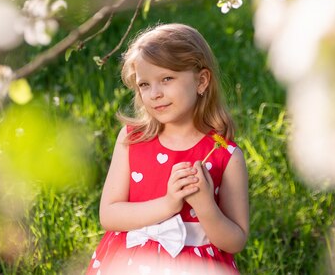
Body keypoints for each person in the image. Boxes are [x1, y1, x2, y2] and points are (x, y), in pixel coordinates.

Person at [86, 23, 249, 274]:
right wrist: (168, 204)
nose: (155, 94)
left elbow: (235, 241)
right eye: (144, 85)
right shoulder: (132, 140)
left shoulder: (225, 155)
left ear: (201, 81)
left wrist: (205, 205)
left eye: (167, 79)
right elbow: (109, 215)